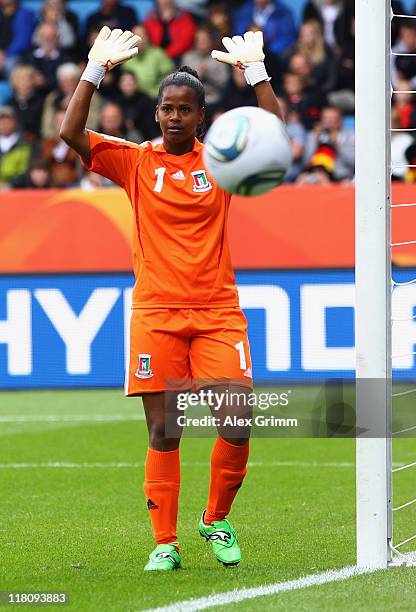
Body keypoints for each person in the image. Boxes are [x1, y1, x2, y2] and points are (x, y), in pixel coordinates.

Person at [60, 26, 283, 571]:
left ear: (201, 117)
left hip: (217, 313)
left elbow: (274, 135)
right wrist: (93, 71)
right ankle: (165, 543)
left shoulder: (223, 163)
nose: (175, 117)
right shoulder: (136, 162)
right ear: (156, 115)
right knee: (165, 430)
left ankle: (215, 519)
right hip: (156, 312)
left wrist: (256, 74)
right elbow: (71, 132)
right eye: (167, 109)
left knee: (236, 420)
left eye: (186, 109)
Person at [120, 24, 175, 99]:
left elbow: (171, 74)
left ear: (148, 37)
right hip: (133, 99)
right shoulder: (126, 56)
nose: (139, 39)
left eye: (142, 35)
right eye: (136, 36)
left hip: (156, 97)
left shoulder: (157, 53)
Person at [0, 0, 36, 77]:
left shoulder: (24, 14)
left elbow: (23, 41)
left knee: (10, 65)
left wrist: (5, 54)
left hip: (17, 54)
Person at [0, 104, 32, 188]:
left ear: (14, 122)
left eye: (8, 120)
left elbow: (25, 170)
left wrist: (11, 183)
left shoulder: (24, 144)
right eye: (1, 121)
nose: (4, 124)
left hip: (16, 188)